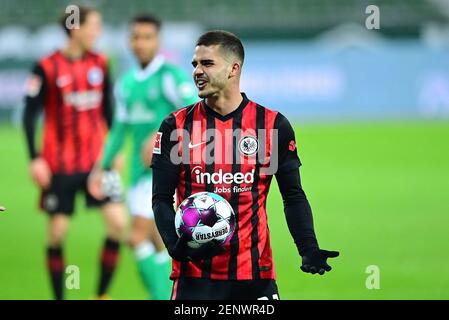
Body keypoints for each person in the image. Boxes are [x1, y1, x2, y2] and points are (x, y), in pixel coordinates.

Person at [151, 30, 339, 300]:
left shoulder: (272, 126)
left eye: (207, 63)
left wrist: (308, 247)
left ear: (233, 68)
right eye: (195, 64)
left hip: (254, 277)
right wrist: (174, 246)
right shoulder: (176, 126)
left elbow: (293, 195)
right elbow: (160, 198)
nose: (197, 72)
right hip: (194, 279)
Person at [88, 14, 198, 300]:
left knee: (137, 237)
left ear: (158, 41)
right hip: (138, 174)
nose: (141, 43)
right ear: (129, 41)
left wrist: (163, 135)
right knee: (157, 243)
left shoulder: (169, 77)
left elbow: (198, 115)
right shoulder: (125, 84)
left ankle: (163, 298)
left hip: (165, 174)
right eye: (136, 37)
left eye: (147, 37)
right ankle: (172, 296)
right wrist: (101, 167)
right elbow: (118, 130)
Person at [23, 6, 126, 300]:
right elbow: (30, 115)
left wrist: (114, 148)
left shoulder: (102, 63)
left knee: (118, 223)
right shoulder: (46, 67)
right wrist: (35, 158)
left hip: (98, 162)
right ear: (75, 28)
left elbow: (108, 109)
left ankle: (100, 295)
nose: (98, 32)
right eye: (93, 26)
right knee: (57, 234)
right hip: (60, 165)